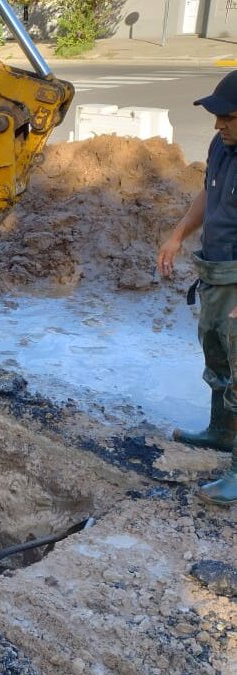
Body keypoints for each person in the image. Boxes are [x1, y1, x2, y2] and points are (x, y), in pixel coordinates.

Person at [157, 69, 237, 506]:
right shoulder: (223, 146)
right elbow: (208, 193)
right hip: (216, 271)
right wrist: (178, 234)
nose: (218, 124)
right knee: (216, 351)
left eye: (227, 116)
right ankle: (221, 433)